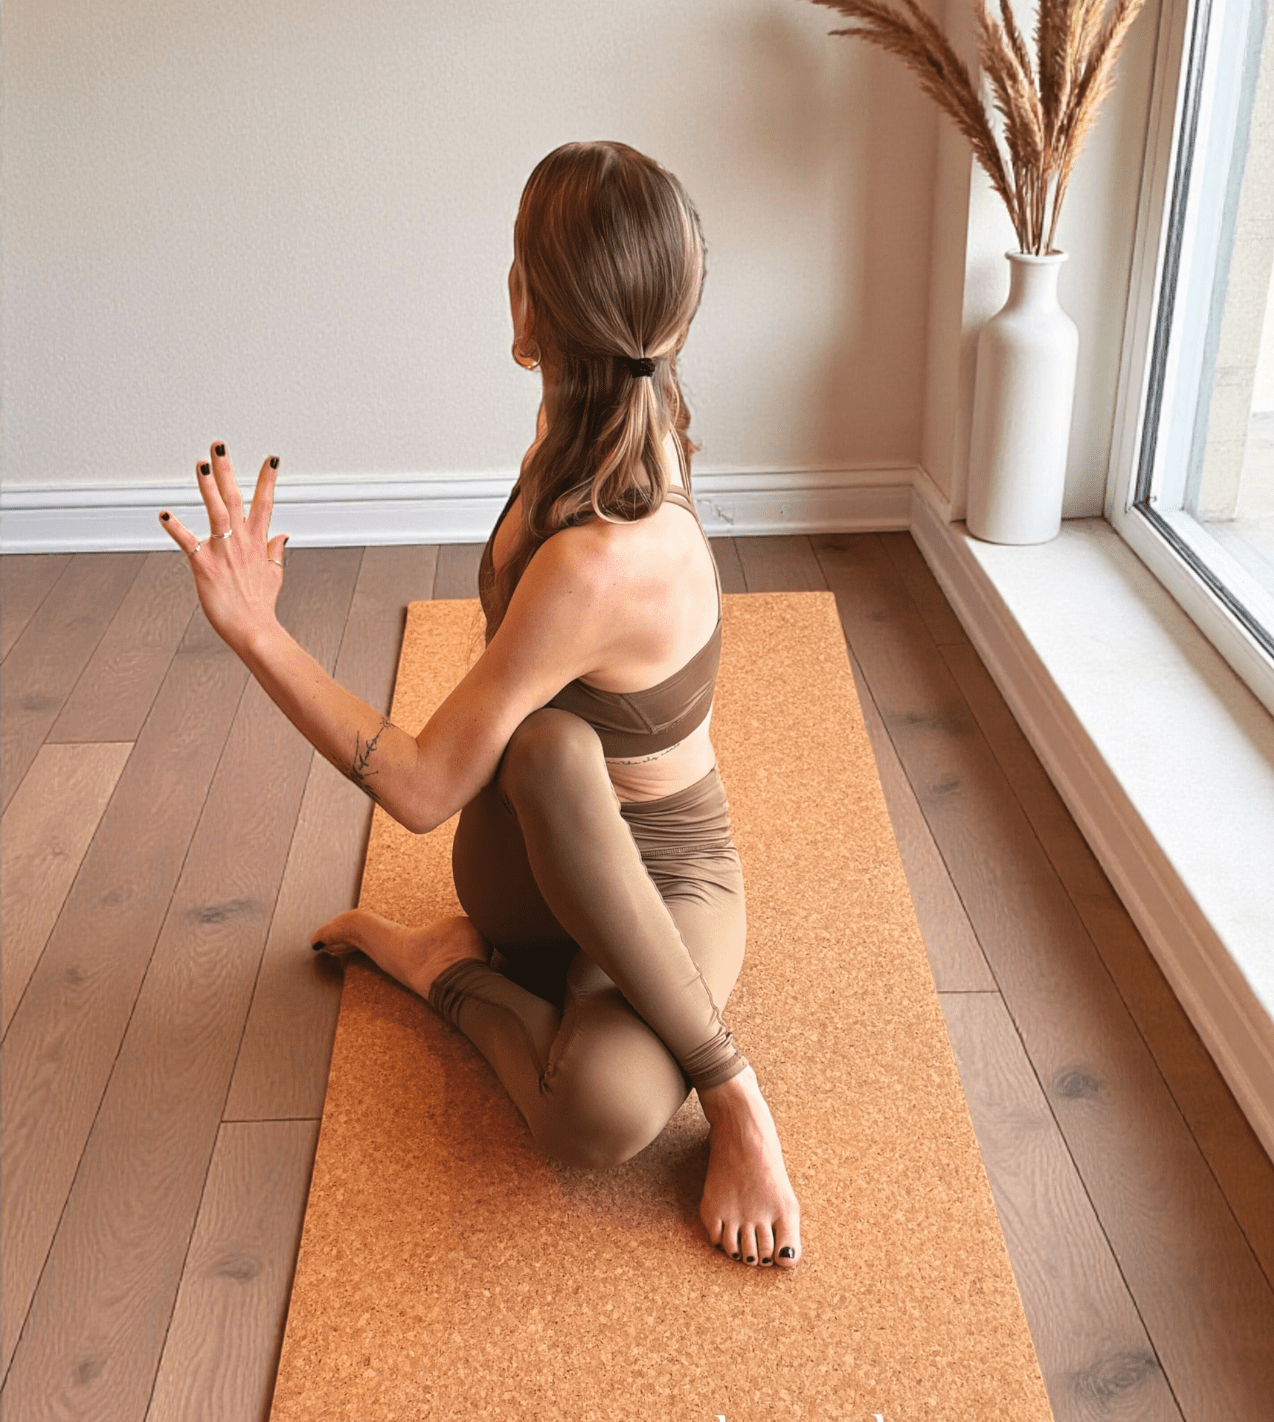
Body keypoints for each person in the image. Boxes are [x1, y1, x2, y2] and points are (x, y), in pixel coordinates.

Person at [161, 140, 801, 1269]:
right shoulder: (593, 429)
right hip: (533, 853)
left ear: (526, 308)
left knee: (598, 1114)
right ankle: (501, 972)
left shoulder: (602, 552)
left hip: (669, 873)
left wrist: (258, 630)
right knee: (548, 747)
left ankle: (709, 1079)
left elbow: (419, 789)